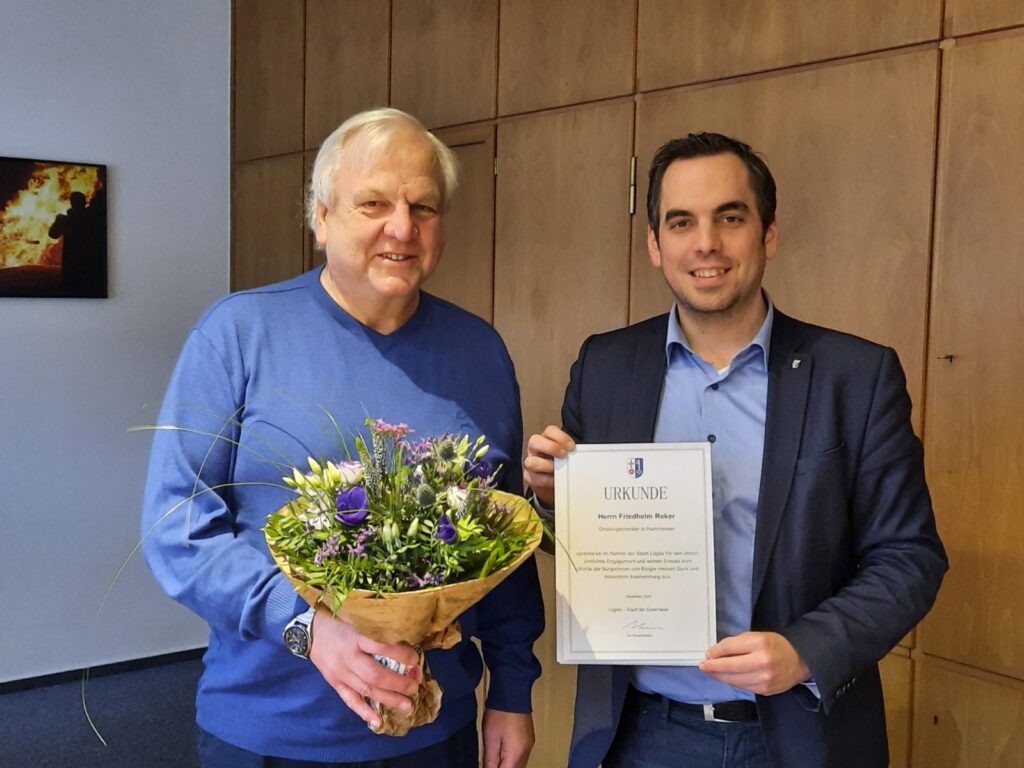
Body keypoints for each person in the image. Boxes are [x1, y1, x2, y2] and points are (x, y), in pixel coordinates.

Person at [524, 133, 947, 768]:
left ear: (767, 234)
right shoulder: (605, 367)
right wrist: (555, 500)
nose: (706, 244)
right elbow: (591, 546)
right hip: (637, 734)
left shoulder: (854, 377)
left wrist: (806, 650)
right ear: (655, 245)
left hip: (800, 735)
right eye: (681, 222)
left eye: (730, 217)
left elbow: (910, 557)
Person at [142, 108, 543, 768]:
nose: (402, 228)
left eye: (424, 207)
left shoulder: (481, 352)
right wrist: (307, 630)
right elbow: (177, 528)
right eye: (374, 203)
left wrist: (513, 691)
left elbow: (502, 541)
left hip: (434, 729)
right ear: (321, 217)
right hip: (267, 731)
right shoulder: (237, 334)